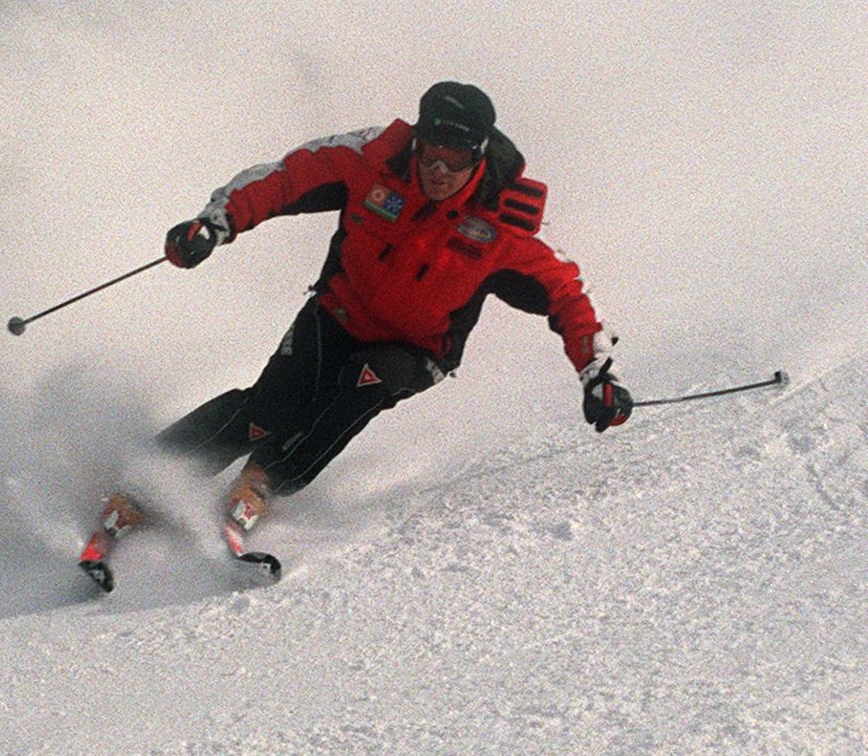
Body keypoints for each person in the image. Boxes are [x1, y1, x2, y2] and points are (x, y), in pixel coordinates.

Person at [154, 81, 633, 548]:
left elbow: (568, 294)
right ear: (417, 143)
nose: (441, 171)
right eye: (431, 154)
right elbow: (285, 178)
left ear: (480, 156)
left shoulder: (506, 223)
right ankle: (156, 469)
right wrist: (215, 225)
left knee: (364, 384)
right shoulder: (371, 158)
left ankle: (262, 483)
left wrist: (597, 377)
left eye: (458, 159)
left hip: (417, 348)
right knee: (269, 409)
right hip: (338, 313)